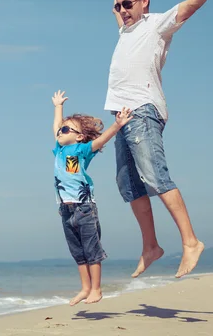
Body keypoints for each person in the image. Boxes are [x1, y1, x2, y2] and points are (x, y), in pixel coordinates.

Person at [105, 0, 213, 278]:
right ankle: (151, 246)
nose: (122, 10)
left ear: (145, 2)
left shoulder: (156, 25)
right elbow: (119, 13)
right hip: (123, 116)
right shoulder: (124, 31)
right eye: (117, 6)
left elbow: (192, 4)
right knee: (128, 184)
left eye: (128, 4)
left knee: (155, 176)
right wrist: (118, 7)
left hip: (143, 110)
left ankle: (191, 241)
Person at [52, 90, 132, 305]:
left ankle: (96, 288)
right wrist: (58, 106)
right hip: (65, 211)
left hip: (84, 208)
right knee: (78, 253)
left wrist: (117, 125)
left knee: (92, 251)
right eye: (61, 129)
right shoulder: (60, 150)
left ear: (78, 136)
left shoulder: (81, 149)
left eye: (66, 129)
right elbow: (56, 126)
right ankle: (85, 288)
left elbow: (102, 139)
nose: (61, 130)